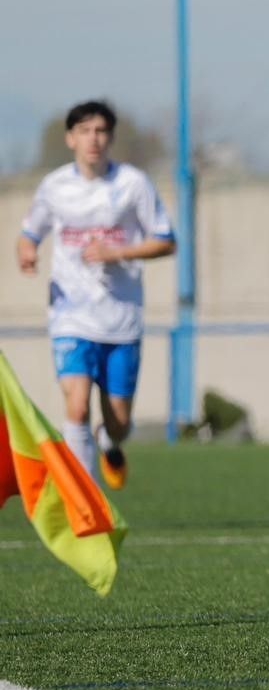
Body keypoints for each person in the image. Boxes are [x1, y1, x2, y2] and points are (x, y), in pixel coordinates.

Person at [15, 100, 176, 488]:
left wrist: (117, 252)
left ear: (111, 138)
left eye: (101, 131)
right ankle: (84, 496)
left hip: (120, 319)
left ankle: (108, 440)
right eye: (85, 131)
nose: (94, 139)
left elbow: (166, 241)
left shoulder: (132, 184)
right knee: (76, 403)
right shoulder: (55, 186)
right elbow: (30, 231)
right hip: (70, 314)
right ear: (71, 138)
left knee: (119, 421)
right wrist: (26, 250)